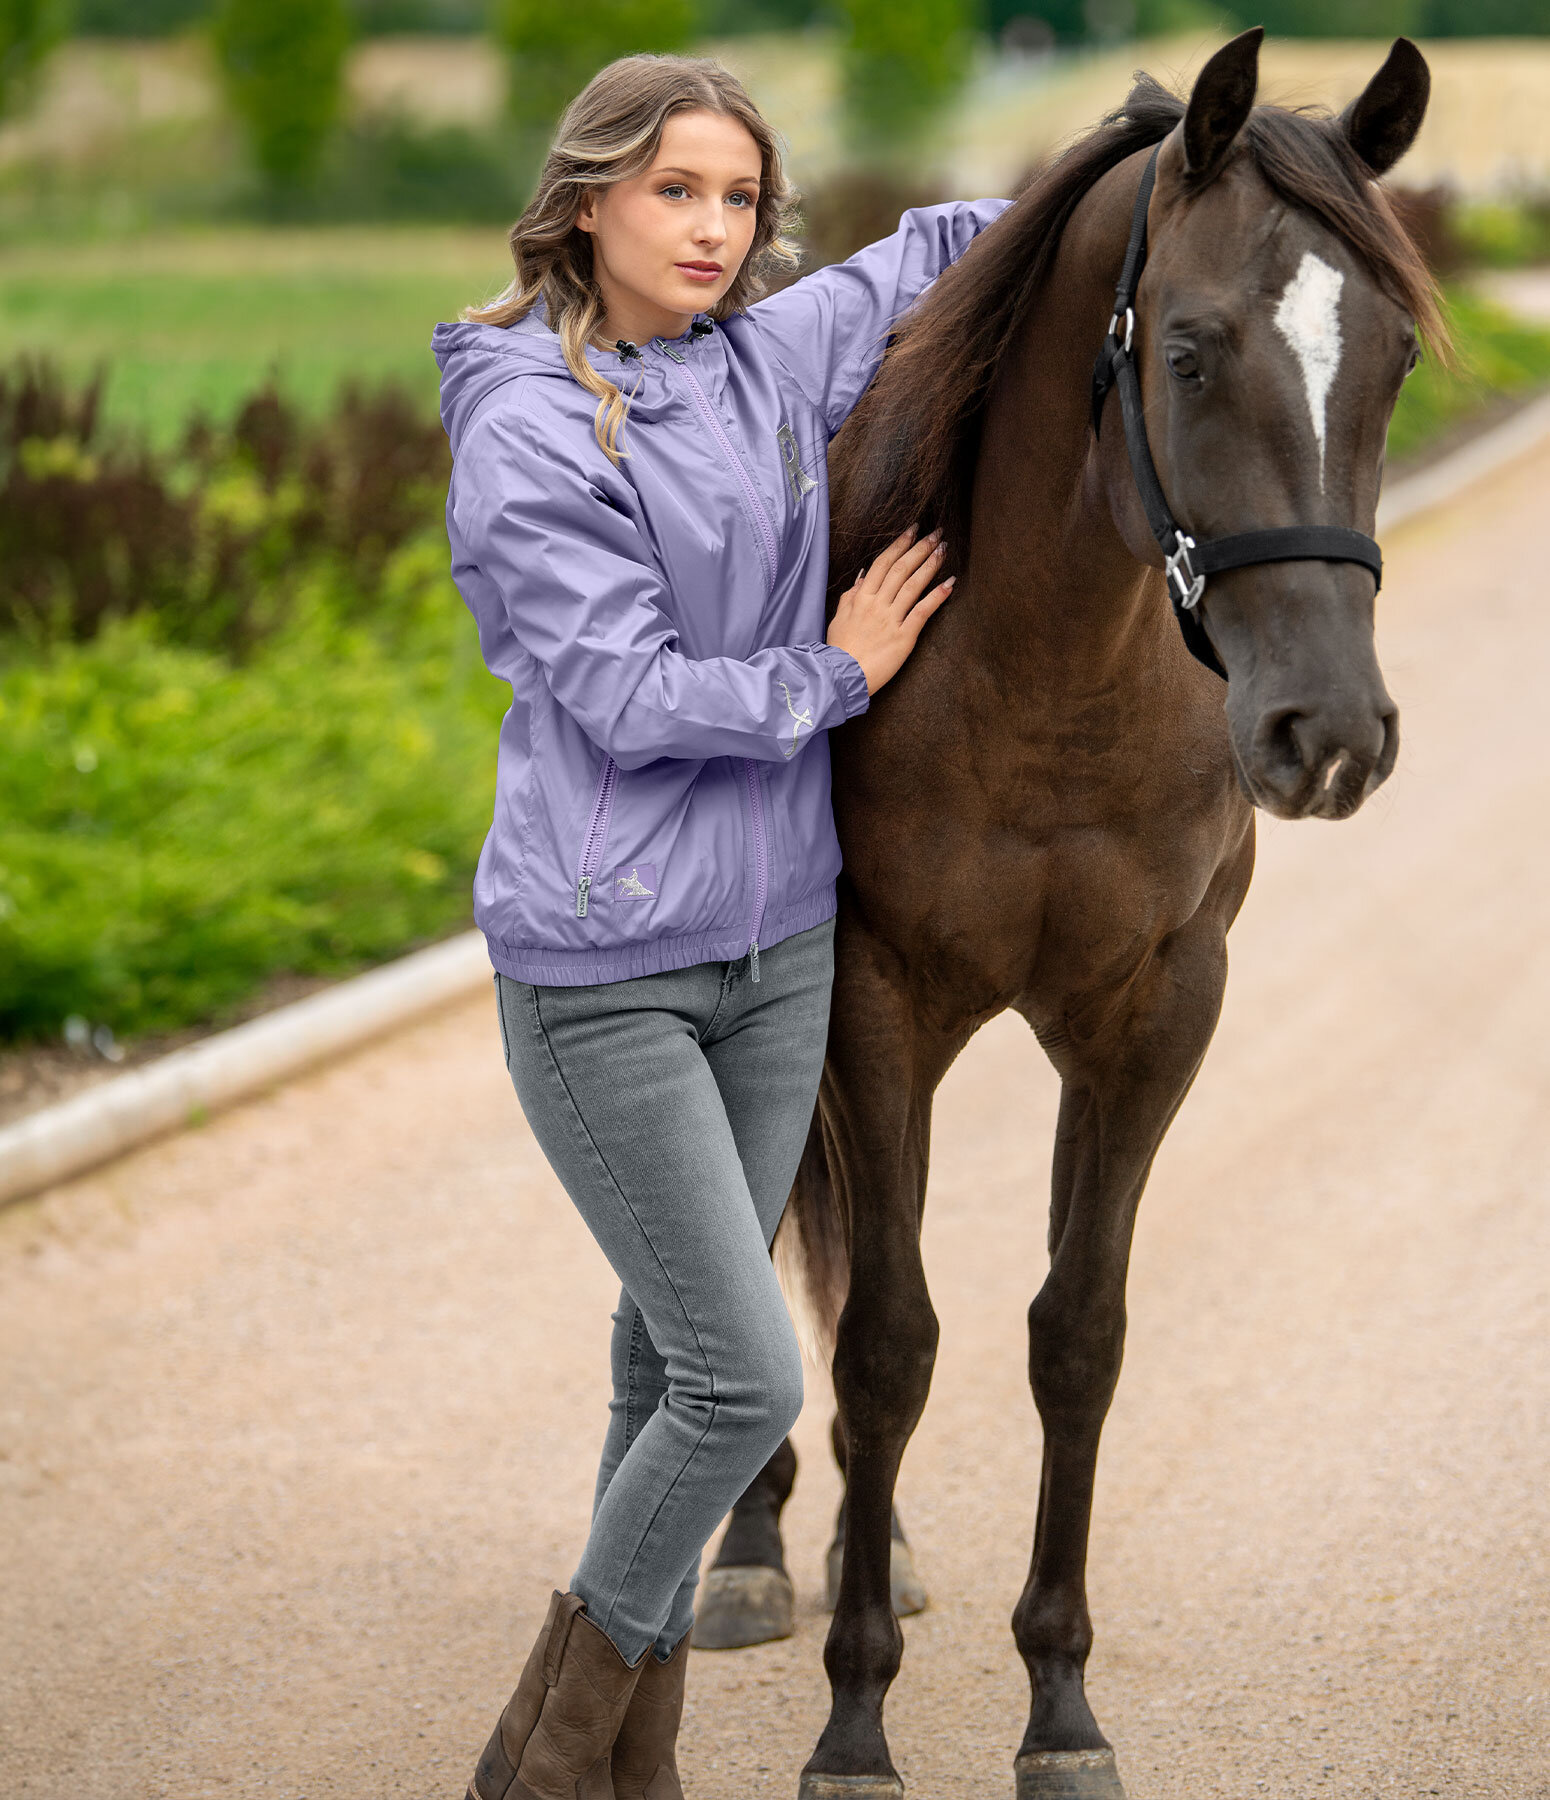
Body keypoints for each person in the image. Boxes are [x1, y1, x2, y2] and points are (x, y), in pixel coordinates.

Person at [431, 48, 1010, 1800]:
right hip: (605, 964)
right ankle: (541, 1757)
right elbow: (618, 688)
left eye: (739, 196)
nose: (709, 226)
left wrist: (1137, 170)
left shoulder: (766, 353)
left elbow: (941, 254)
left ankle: (632, 1770)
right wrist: (844, 671)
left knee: (653, 1362)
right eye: (673, 188)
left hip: (779, 958)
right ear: (589, 195)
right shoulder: (528, 413)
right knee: (742, 1377)